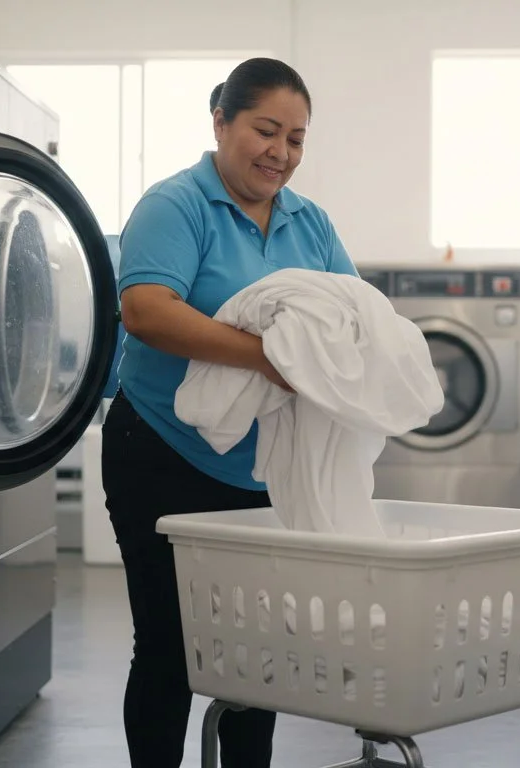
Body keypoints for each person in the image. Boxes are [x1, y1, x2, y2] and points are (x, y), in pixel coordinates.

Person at [101, 57, 359, 768]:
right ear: (221, 122)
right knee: (168, 645)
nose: (281, 153)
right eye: (265, 131)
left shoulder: (310, 222)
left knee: (259, 655)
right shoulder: (176, 204)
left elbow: (352, 315)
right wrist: (270, 357)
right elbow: (147, 311)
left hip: (263, 466)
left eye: (296, 139)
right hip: (162, 453)